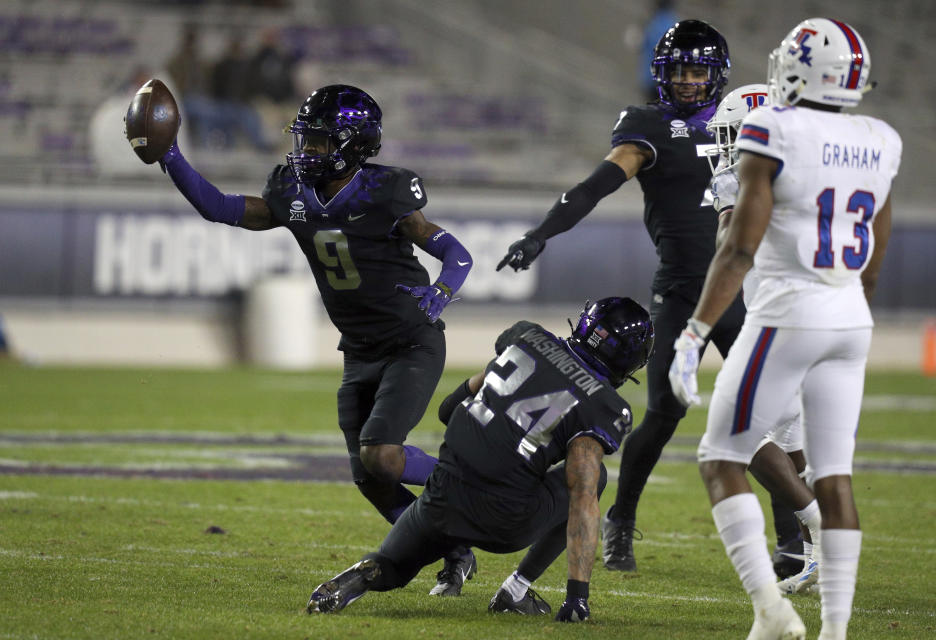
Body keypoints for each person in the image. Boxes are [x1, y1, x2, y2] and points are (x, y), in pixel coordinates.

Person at [497, 19, 803, 574]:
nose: (687, 80)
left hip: (750, 292)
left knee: (772, 416)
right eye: (677, 70)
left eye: (697, 70)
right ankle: (620, 522)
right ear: (660, 75)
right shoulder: (647, 127)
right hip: (684, 292)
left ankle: (791, 542)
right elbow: (595, 185)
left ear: (719, 76)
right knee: (664, 410)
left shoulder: (750, 117)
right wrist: (542, 231)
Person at [147, 84, 475, 595]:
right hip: (359, 351)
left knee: (382, 455)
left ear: (352, 143)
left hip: (411, 342)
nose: (307, 151)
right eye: (306, 140)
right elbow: (219, 207)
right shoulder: (290, 192)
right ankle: (453, 549)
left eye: (320, 142)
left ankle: (472, 486)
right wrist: (171, 157)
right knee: (371, 479)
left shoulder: (386, 191)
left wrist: (442, 291)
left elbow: (457, 254)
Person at [669, 18, 900, 639]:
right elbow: (874, 258)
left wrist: (695, 333)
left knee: (720, 458)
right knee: (834, 477)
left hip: (788, 312)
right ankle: (835, 633)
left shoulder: (775, 127)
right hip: (850, 317)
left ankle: (771, 612)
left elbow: (738, 249)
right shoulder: (881, 137)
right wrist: (848, 310)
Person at [305, 297, 655, 622]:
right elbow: (582, 492)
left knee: (393, 566)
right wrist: (577, 596)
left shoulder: (526, 338)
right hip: (504, 519)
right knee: (598, 481)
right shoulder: (606, 406)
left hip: (443, 491)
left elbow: (447, 410)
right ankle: (514, 591)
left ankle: (362, 575)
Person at [705, 84, 823, 595]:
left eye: (734, 134)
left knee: (737, 438)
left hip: (782, 323)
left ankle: (824, 528)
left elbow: (729, 248)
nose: (726, 146)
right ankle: (820, 559)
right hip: (818, 318)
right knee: (792, 446)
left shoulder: (744, 178)